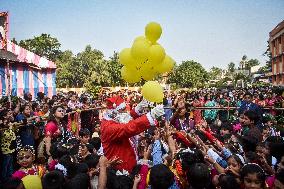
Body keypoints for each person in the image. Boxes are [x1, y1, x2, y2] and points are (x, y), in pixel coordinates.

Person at [100, 96, 164, 173]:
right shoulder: (109, 128)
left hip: (128, 161)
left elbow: (127, 117)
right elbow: (128, 127)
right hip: (121, 170)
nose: (126, 111)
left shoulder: (114, 118)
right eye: (123, 110)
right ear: (114, 112)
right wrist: (151, 116)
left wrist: (138, 108)